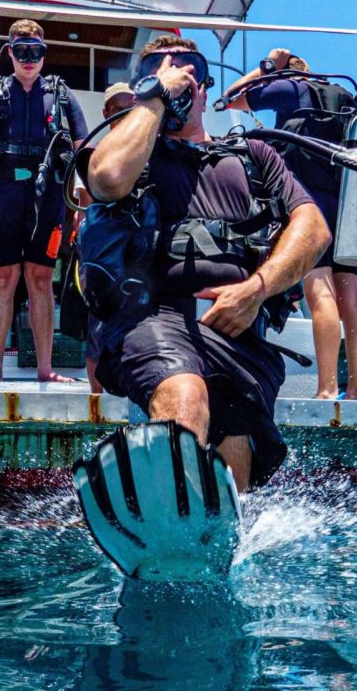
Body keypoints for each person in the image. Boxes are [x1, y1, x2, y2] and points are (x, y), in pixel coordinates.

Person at [83, 34, 330, 493]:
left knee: (233, 438)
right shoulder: (132, 146)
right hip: (152, 314)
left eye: (188, 68)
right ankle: (165, 510)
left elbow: (313, 228)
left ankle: (211, 538)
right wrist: (155, 97)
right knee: (185, 394)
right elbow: (107, 179)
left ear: (205, 87)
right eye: (159, 68)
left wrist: (257, 289)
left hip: (236, 326)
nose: (176, 75)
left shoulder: (253, 155)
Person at [224, 48, 357, 399]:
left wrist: (267, 66)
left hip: (311, 205)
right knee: (348, 289)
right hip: (348, 201)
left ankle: (326, 388)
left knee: (317, 287)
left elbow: (230, 99)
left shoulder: (290, 87)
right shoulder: (343, 97)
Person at [0, 19, 89, 383]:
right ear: (10, 53)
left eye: (35, 52)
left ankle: (46, 369)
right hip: (1, 195)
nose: (29, 59)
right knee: (2, 278)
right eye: (21, 52)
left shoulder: (62, 96)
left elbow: (83, 153)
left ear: (44, 53)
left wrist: (81, 205)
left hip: (48, 196)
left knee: (41, 277)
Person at [73, 82, 134, 393]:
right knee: (98, 329)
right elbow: (82, 210)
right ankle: (96, 399)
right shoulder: (92, 156)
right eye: (119, 109)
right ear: (106, 114)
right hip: (102, 257)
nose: (126, 115)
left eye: (131, 107)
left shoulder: (147, 151)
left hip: (137, 253)